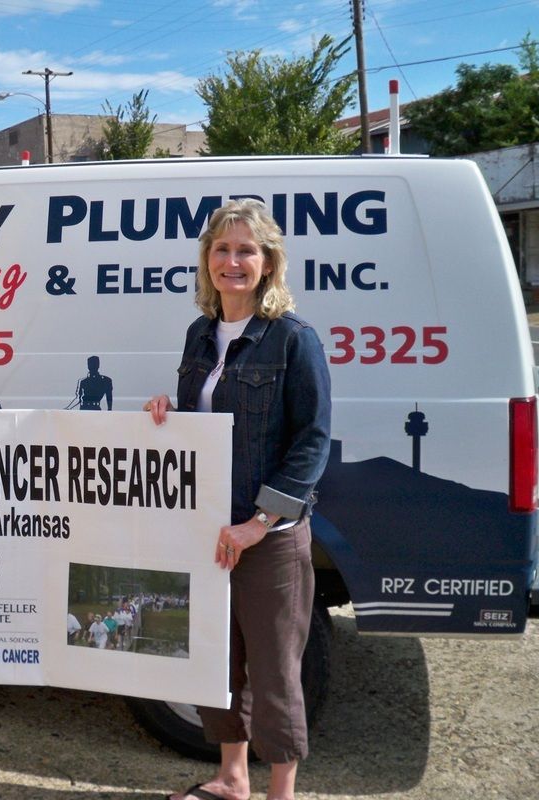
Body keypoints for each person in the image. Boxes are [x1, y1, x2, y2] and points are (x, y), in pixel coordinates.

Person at [145, 198, 330, 800]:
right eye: (221, 249)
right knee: (214, 661)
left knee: (275, 672)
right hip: (209, 533)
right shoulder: (201, 333)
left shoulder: (293, 339)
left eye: (246, 249)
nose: (233, 261)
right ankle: (231, 778)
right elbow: (204, 423)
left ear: (269, 261)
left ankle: (281, 792)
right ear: (207, 261)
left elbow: (312, 441)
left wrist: (259, 521)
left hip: (266, 539)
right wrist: (168, 414)